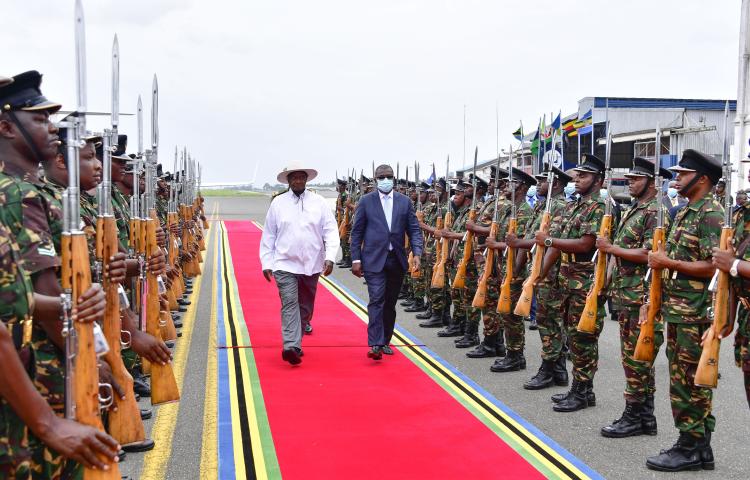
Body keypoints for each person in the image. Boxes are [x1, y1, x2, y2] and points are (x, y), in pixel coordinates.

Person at [645, 149, 723, 472]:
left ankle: (690, 446)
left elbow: (715, 268)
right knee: (684, 379)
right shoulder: (685, 212)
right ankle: (699, 446)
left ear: (702, 179)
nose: (676, 178)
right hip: (677, 309)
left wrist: (669, 262)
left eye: (682, 174)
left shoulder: (710, 214)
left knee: (690, 381)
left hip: (696, 313)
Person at [596, 157, 672, 438]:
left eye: (635, 179)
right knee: (634, 357)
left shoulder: (655, 211)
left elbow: (647, 253)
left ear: (651, 183)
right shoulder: (636, 208)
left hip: (641, 295)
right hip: (627, 293)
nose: (629, 183)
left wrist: (611, 248)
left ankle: (634, 416)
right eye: (628, 179)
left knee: (637, 358)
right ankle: (644, 417)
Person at [536, 154, 607, 412]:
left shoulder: (599, 207)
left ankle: (584, 390)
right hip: (568, 280)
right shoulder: (576, 205)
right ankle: (579, 388)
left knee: (583, 337)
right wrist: (541, 274)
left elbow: (586, 244)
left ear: (598, 180)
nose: (577, 179)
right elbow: (559, 239)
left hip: (585, 282)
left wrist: (547, 241)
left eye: (584, 176)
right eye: (577, 175)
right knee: (573, 336)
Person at [260, 164, 338, 365]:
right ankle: (290, 345)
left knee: (305, 306)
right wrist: (266, 261)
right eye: (293, 178)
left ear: (306, 180)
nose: (297, 181)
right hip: (284, 264)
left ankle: (297, 341)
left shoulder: (319, 202)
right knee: (289, 303)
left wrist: (330, 257)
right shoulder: (278, 203)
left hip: (312, 264)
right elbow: (269, 235)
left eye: (301, 177)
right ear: (288, 181)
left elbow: (330, 230)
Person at [350, 164, 423, 360]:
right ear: (375, 180)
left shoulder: (404, 202)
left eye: (388, 176)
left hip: (396, 260)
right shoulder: (366, 201)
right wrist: (355, 258)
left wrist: (417, 253)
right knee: (376, 300)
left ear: (394, 178)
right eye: (381, 177)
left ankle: (385, 341)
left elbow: (414, 230)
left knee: (389, 303)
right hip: (373, 260)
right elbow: (356, 232)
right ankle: (374, 343)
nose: (385, 180)